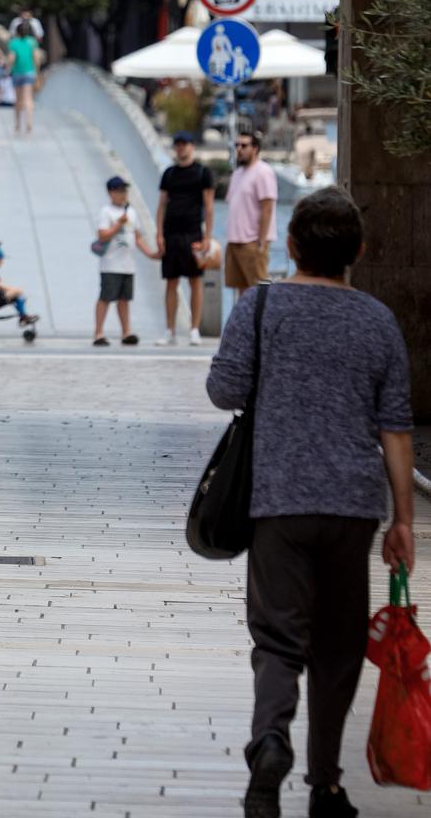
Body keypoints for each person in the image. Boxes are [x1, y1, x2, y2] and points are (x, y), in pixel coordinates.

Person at [207, 187, 414, 818]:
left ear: (290, 244)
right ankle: (326, 784)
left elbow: (223, 390)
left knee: (278, 637)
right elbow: (396, 427)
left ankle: (271, 739)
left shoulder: (260, 306)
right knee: (338, 646)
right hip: (352, 507)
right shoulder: (377, 320)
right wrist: (404, 519)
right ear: (357, 251)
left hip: (278, 501)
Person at [156, 130, 214, 346]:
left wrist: (207, 236)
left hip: (193, 232)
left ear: (192, 146)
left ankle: (194, 328)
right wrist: (159, 233)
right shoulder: (169, 174)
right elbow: (161, 204)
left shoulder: (203, 173)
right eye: (178, 144)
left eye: (185, 144)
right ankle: (170, 330)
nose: (181, 148)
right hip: (171, 233)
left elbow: (209, 207)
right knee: (171, 281)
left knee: (195, 280)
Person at [93, 175, 160, 346]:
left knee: (124, 299)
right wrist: (118, 224)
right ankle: (98, 332)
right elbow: (102, 235)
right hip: (110, 265)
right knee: (105, 297)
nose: (123, 194)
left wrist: (150, 254)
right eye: (119, 191)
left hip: (128, 265)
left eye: (124, 190)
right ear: (111, 192)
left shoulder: (131, 212)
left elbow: (137, 237)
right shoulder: (106, 212)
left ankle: (126, 332)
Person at [226, 130, 279, 294]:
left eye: (244, 145)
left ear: (255, 148)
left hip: (253, 242)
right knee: (240, 292)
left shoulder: (263, 172)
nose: (239, 149)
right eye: (237, 145)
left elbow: (267, 208)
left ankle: (261, 321)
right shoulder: (237, 173)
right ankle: (244, 321)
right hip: (235, 241)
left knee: (258, 292)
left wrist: (261, 243)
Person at [0, 241, 38, 327]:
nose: (1, 262)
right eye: (0, 260)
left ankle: (23, 316)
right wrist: (13, 290)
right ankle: (23, 317)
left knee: (18, 296)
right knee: (17, 292)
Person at [7, 22, 39, 134]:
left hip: (17, 73)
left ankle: (18, 123)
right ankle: (29, 122)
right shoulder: (32, 42)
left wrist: (7, 67)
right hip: (29, 72)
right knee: (28, 98)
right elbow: (36, 57)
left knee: (18, 99)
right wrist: (36, 71)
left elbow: (11, 58)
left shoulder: (14, 43)